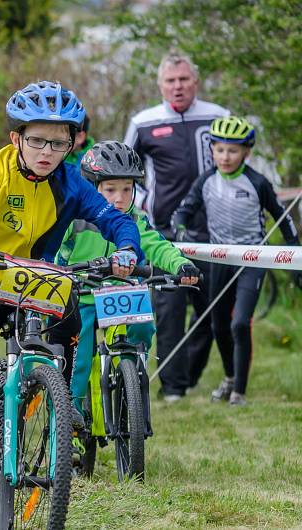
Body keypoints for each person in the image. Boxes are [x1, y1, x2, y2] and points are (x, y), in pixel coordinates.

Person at [0, 81, 143, 528]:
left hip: (37, 284)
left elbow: (115, 219)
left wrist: (126, 250)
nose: (48, 151)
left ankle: (55, 410)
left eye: (59, 142)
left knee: (65, 324)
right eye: (37, 140)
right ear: (16, 139)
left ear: (72, 142)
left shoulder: (72, 183)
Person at [57, 141, 199, 417]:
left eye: (127, 189)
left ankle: (130, 383)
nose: (119, 198)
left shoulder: (136, 220)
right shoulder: (74, 220)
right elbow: (49, 250)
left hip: (122, 292)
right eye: (110, 190)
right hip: (81, 295)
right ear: (91, 188)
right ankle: (69, 423)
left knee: (143, 328)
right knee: (78, 361)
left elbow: (159, 246)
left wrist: (182, 264)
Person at [172, 117, 300, 406]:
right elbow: (183, 211)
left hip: (253, 259)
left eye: (233, 151)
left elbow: (284, 217)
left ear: (246, 152)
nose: (225, 157)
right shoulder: (206, 181)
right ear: (212, 151)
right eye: (220, 150)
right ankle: (229, 378)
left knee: (239, 323)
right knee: (218, 326)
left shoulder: (257, 182)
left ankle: (239, 392)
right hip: (220, 258)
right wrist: (181, 228)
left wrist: (293, 255)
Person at [124, 51, 229, 401]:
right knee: (169, 312)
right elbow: (125, 172)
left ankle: (191, 374)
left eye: (184, 79)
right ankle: (173, 387)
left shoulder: (218, 116)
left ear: (195, 82)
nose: (178, 86)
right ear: (160, 85)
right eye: (170, 81)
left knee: (212, 311)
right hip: (165, 233)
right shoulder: (144, 122)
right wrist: (138, 210)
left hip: (214, 233)